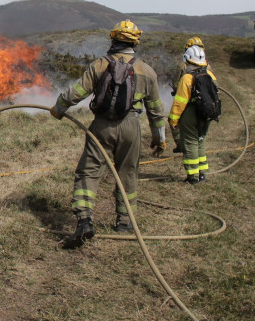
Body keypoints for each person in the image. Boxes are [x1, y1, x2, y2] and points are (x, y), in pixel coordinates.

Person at [50, 20, 168, 249]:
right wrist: (159, 139)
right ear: (135, 43)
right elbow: (155, 110)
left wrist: (59, 108)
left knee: (89, 171)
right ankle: (125, 222)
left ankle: (84, 220)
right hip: (131, 127)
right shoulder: (147, 71)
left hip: (102, 127)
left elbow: (77, 92)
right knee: (128, 173)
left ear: (113, 39)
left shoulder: (100, 65)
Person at [169, 44, 217, 184]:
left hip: (190, 114)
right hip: (206, 114)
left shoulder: (187, 78)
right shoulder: (210, 75)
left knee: (190, 143)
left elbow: (180, 102)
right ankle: (202, 174)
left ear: (187, 60)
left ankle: (192, 177)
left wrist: (173, 120)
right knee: (201, 141)